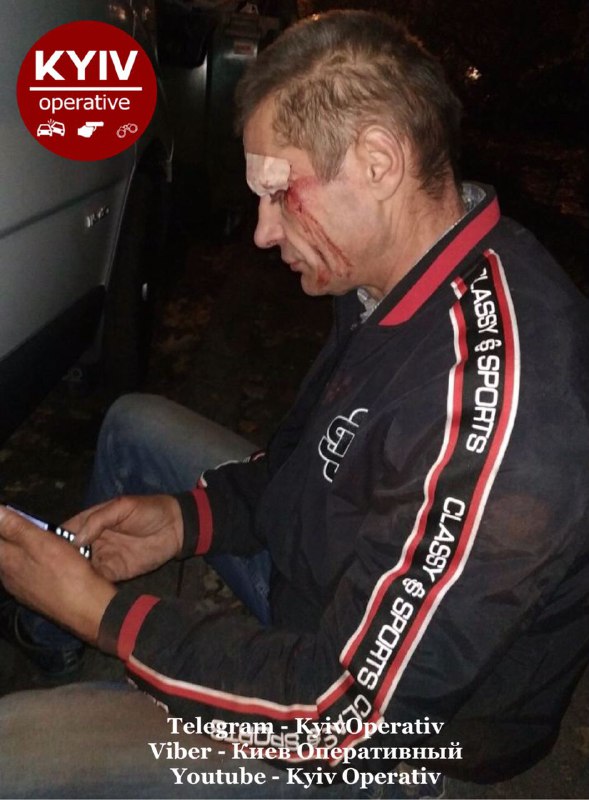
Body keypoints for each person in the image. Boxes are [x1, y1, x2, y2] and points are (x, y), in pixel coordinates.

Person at [0, 9, 588, 798]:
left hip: (393, 739)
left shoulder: (506, 402)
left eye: (279, 194)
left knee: (16, 752)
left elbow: (344, 717)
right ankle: (57, 641)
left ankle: (94, 663)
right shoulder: (389, 281)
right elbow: (304, 459)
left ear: (377, 161)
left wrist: (108, 618)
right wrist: (189, 519)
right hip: (322, 591)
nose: (262, 232)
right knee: (135, 425)